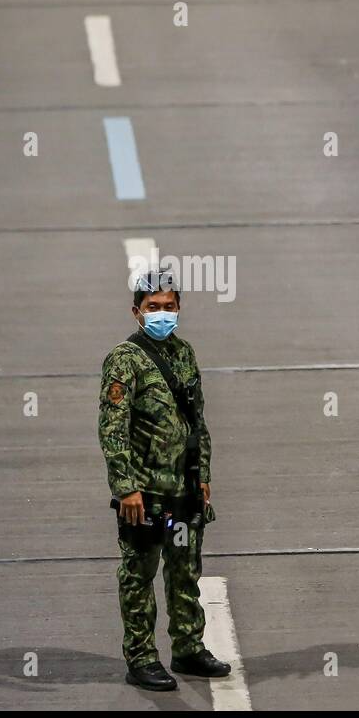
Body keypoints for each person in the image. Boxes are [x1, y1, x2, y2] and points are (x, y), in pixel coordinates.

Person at [97, 268, 231, 691]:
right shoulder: (125, 359)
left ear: (179, 309)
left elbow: (197, 420)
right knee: (138, 575)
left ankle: (188, 647)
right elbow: (112, 429)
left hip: (184, 490)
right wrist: (125, 487)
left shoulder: (185, 354)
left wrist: (203, 474)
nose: (161, 314)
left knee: (183, 570)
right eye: (153, 307)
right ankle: (141, 657)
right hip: (147, 493)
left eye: (169, 307)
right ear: (136, 312)